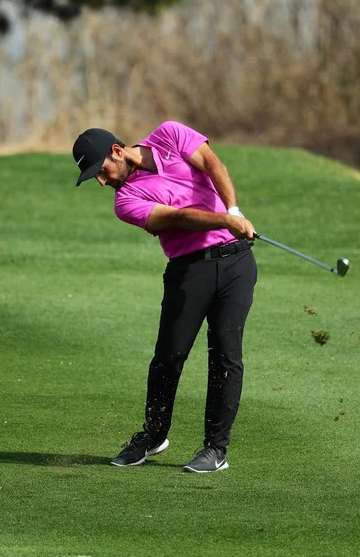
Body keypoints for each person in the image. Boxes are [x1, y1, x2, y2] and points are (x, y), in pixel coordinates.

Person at [72, 121, 257, 473]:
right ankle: (154, 435)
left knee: (225, 356)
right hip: (188, 272)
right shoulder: (125, 201)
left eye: (101, 170)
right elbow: (176, 218)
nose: (101, 180)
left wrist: (233, 212)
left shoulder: (169, 134)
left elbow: (213, 164)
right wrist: (224, 221)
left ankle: (215, 449)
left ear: (117, 151)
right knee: (168, 358)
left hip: (236, 264)